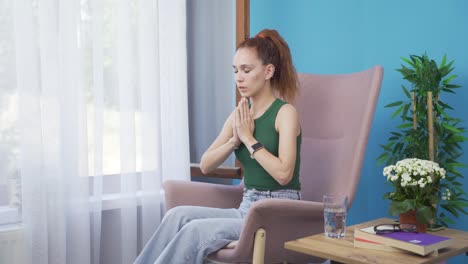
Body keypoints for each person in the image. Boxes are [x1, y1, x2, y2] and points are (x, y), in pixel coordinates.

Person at [134, 29, 302, 264]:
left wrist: (249, 139)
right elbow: (206, 164)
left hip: (276, 213)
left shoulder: (285, 113)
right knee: (177, 215)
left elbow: (284, 174)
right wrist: (234, 140)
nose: (239, 78)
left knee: (194, 231)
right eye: (235, 71)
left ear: (268, 71)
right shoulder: (240, 115)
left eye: (246, 70)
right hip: (246, 208)